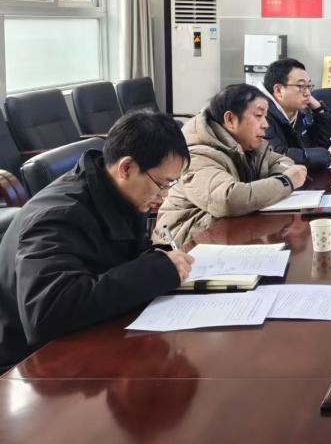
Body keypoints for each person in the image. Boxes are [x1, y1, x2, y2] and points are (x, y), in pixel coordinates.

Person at [0, 111, 195, 371]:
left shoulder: (121, 192)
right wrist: (155, 270)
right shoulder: (57, 217)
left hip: (86, 336)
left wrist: (158, 259)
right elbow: (47, 313)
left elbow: (118, 261)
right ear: (126, 168)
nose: (165, 196)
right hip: (27, 363)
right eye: (162, 184)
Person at [157, 84, 307, 244]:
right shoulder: (197, 154)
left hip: (227, 235)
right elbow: (227, 200)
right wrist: (284, 182)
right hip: (184, 244)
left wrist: (273, 183)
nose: (265, 124)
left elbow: (282, 161)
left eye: (265, 116)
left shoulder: (248, 145)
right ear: (230, 119)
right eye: (258, 115)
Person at [262, 58, 331, 170]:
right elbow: (277, 157)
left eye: (308, 86)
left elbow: (315, 145)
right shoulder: (260, 114)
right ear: (278, 90)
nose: (308, 93)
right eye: (301, 86)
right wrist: (328, 156)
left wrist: (319, 110)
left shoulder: (296, 110)